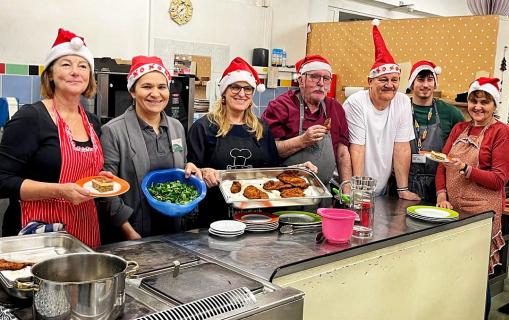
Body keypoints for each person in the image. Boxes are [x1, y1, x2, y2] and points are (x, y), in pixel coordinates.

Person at [0, 28, 104, 247]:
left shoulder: (92, 122)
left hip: (83, 228)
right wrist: (60, 191)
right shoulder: (31, 117)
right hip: (35, 234)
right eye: (66, 64)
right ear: (50, 74)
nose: (76, 72)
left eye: (83, 66)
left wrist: (101, 178)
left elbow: (87, 173)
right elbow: (2, 180)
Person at [187, 57, 316, 226]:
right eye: (235, 87)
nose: (242, 94)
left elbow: (271, 172)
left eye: (248, 89)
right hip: (215, 216)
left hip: (259, 217)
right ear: (224, 91)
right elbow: (190, 171)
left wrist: (298, 170)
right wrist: (203, 172)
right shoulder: (203, 128)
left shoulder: (261, 128)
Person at [100, 55, 201, 241]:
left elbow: (181, 165)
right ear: (132, 91)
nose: (156, 94)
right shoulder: (113, 131)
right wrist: (129, 232)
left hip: (175, 231)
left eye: (162, 87)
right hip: (133, 231)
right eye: (147, 87)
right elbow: (106, 190)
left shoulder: (176, 127)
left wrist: (190, 168)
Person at [436, 77, 509, 274]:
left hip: (481, 214)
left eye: (484, 102)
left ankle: (480, 306)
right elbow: (442, 164)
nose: (478, 107)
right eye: (474, 101)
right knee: (453, 271)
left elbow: (499, 180)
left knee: (476, 276)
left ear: (494, 104)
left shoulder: (501, 132)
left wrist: (466, 169)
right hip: (453, 210)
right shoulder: (460, 128)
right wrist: (441, 195)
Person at [343, 19, 420, 200]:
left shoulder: (402, 102)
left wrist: (402, 190)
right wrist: (359, 191)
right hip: (350, 187)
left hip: (380, 187)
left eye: (394, 80)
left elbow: (401, 147)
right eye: (383, 80)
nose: (390, 85)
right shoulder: (356, 103)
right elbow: (357, 148)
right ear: (370, 82)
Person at [262, 54, 351, 189]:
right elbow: (267, 151)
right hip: (285, 190)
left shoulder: (335, 108)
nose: (321, 83)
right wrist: (303, 141)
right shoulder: (280, 106)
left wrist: (347, 189)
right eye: (314, 76)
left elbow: (342, 153)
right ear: (301, 80)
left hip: (323, 191)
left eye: (326, 78)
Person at [407, 60, 465, 203]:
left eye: (430, 79)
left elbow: (462, 150)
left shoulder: (451, 113)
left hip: (440, 188)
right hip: (403, 185)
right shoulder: (400, 109)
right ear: (412, 83)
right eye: (420, 79)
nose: (425, 85)